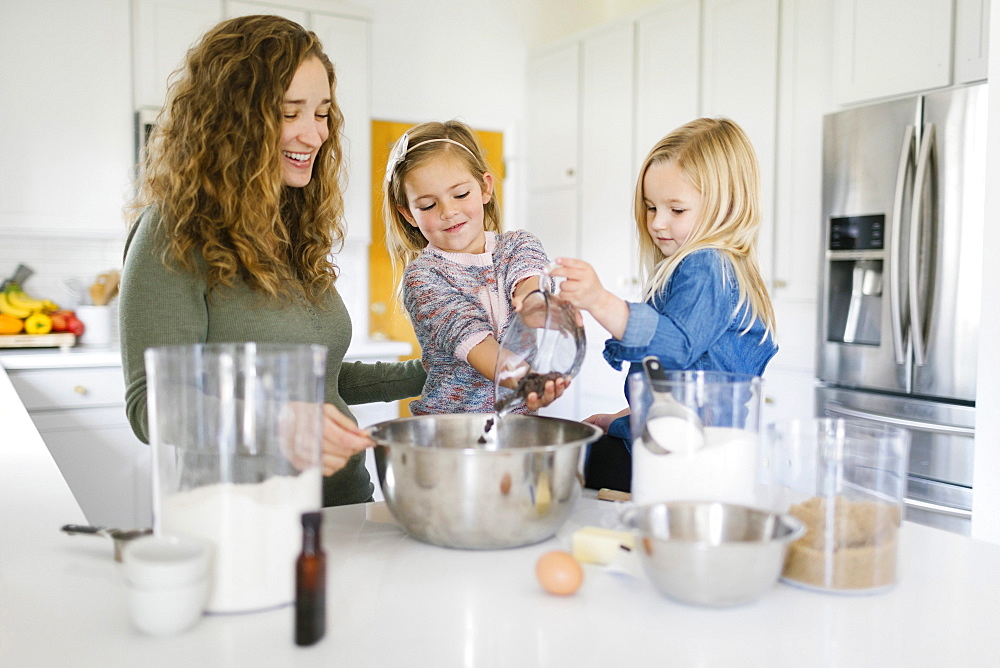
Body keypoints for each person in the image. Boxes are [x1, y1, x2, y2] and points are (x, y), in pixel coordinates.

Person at [119, 15, 425, 507]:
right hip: (244, 520)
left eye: (322, 113)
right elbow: (151, 407)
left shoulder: (292, 227)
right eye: (290, 113)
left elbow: (321, 381)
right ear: (232, 120)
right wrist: (281, 422)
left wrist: (438, 371)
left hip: (344, 508)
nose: (315, 134)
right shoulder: (173, 232)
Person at [550, 117, 778, 491]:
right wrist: (621, 417)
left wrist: (599, 300)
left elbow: (675, 347)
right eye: (651, 207)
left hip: (682, 463)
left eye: (677, 209)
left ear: (727, 205)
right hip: (692, 453)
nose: (657, 223)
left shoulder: (707, 265)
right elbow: (680, 384)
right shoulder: (712, 269)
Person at [383, 120, 567, 414]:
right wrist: (531, 384)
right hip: (448, 432)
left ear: (485, 188)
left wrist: (534, 302)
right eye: (428, 205)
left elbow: (529, 277)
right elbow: (479, 346)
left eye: (460, 194)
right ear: (408, 214)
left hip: (512, 425)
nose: (448, 211)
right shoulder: (423, 278)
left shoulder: (518, 244)